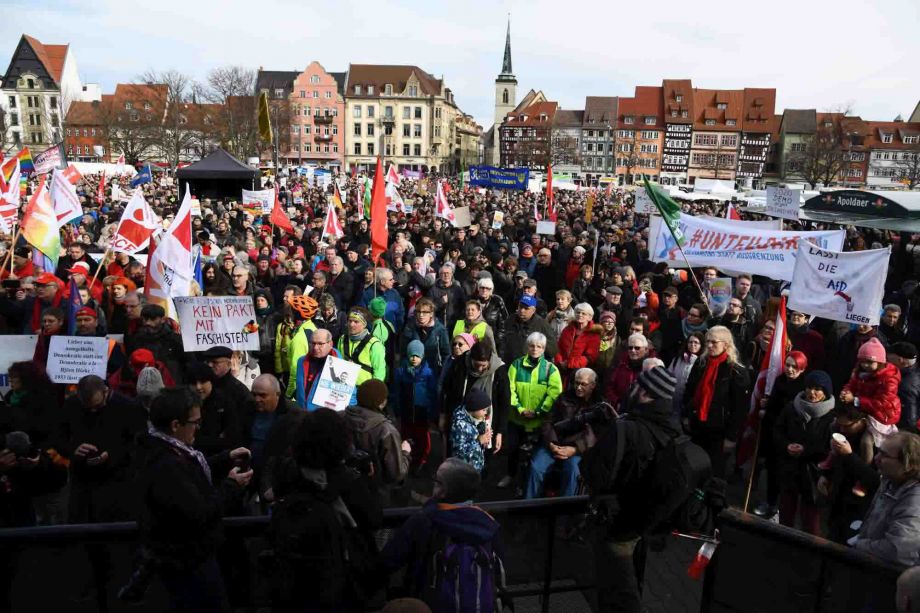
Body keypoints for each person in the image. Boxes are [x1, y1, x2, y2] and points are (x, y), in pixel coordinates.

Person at [136, 387, 252, 613]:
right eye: (194, 423)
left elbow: (190, 469)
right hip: (187, 564)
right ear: (175, 425)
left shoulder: (167, 451)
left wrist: (225, 458)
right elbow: (199, 510)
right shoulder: (165, 466)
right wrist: (231, 486)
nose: (198, 428)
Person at [581, 366, 681, 613]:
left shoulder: (627, 429)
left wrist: (592, 447)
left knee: (619, 591)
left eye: (638, 386)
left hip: (618, 522)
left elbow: (596, 475)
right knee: (629, 580)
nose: (632, 388)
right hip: (644, 519)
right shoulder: (672, 427)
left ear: (645, 394)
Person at [270, 407, 383, 612]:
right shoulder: (350, 481)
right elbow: (374, 518)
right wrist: (370, 481)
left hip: (295, 580)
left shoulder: (288, 473)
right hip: (341, 580)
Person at [380, 458, 504, 611]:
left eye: (436, 480)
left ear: (442, 490)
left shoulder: (424, 520)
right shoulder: (488, 524)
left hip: (428, 605)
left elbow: (389, 560)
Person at [773, 370, 836, 536]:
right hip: (789, 467)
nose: (812, 393)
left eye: (817, 389)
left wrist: (806, 451)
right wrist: (786, 446)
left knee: (811, 518)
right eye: (809, 388)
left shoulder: (832, 417)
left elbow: (830, 447)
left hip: (813, 472)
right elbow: (778, 431)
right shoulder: (792, 407)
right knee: (786, 511)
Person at [683, 326, 751, 479]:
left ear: (726, 344)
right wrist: (687, 415)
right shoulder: (701, 363)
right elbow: (690, 391)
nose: (709, 346)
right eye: (707, 342)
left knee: (714, 471)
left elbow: (739, 407)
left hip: (719, 429)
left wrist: (731, 436)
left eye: (714, 342)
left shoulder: (736, 371)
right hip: (698, 424)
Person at [528, 367, 603, 498]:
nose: (578, 387)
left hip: (578, 449)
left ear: (593, 385)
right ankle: (527, 506)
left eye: (583, 384)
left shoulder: (600, 405)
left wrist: (575, 449)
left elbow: (598, 434)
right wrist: (552, 444)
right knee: (536, 467)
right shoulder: (564, 397)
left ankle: (565, 513)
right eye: (576, 383)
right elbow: (548, 422)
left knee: (573, 472)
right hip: (555, 443)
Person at [753, 350, 809, 519]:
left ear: (802, 369)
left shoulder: (804, 387)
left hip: (792, 437)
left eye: (795, 366)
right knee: (772, 472)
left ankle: (780, 510)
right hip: (775, 434)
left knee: (786, 478)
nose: (790, 369)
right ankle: (770, 503)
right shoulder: (779, 380)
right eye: (788, 365)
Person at [851, 432, 920, 566]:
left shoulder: (915, 499)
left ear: (908, 464)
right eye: (879, 452)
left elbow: (898, 550)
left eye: (884, 455)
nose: (876, 458)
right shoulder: (890, 480)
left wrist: (859, 544)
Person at [506, 332, 564, 491]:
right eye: (532, 345)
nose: (535, 349)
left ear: (544, 349)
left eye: (539, 346)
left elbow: (554, 394)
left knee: (531, 457)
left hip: (539, 421)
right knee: (512, 449)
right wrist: (519, 408)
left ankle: (524, 485)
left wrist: (538, 411)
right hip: (516, 418)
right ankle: (510, 476)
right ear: (527, 347)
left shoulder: (550, 369)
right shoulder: (515, 365)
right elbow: (509, 389)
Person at [840, 337, 902, 475]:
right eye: (863, 362)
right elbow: (852, 384)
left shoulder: (889, 379)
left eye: (870, 362)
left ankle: (865, 474)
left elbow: (882, 403)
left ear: (880, 362)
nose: (866, 365)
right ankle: (833, 458)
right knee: (837, 426)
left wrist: (855, 400)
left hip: (882, 415)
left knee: (866, 442)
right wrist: (846, 391)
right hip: (863, 410)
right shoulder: (859, 372)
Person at [345, 379, 412, 505]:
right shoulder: (386, 431)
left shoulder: (341, 417)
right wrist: (405, 453)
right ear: (382, 402)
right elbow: (396, 474)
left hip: (345, 492)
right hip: (375, 496)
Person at [393, 340, 438, 472]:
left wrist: (432, 413)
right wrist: (397, 409)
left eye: (417, 356)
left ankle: (421, 461)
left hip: (421, 412)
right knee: (406, 436)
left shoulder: (428, 373)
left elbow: (432, 394)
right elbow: (396, 392)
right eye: (412, 355)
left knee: (423, 438)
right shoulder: (401, 372)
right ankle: (407, 459)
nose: (414, 358)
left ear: (422, 356)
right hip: (406, 411)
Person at [337, 307, 387, 395]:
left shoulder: (374, 344)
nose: (351, 324)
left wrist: (374, 392)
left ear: (364, 324)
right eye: (350, 321)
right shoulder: (342, 339)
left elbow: (379, 371)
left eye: (356, 322)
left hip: (364, 390)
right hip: (343, 388)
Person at [398, 297, 451, 377]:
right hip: (412, 372)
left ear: (431, 314)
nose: (421, 315)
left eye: (425, 312)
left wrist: (443, 375)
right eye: (418, 312)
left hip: (432, 373)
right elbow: (403, 351)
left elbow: (446, 354)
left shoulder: (440, 330)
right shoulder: (410, 327)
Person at [554, 302, 601, 383]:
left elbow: (590, 357)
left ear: (589, 317)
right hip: (561, 369)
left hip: (580, 373)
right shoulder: (567, 329)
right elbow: (559, 347)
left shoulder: (593, 334)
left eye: (583, 313)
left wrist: (569, 364)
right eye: (578, 312)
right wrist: (559, 362)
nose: (580, 315)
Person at [668, 332, 704, 418]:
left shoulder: (703, 363)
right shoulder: (677, 359)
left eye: (696, 343)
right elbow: (668, 376)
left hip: (688, 404)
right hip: (672, 400)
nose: (692, 345)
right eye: (690, 342)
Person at [890, 342, 920, 433]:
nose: (886, 357)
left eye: (890, 355)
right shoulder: (916, 370)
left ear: (900, 360)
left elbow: (909, 419)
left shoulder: (906, 386)